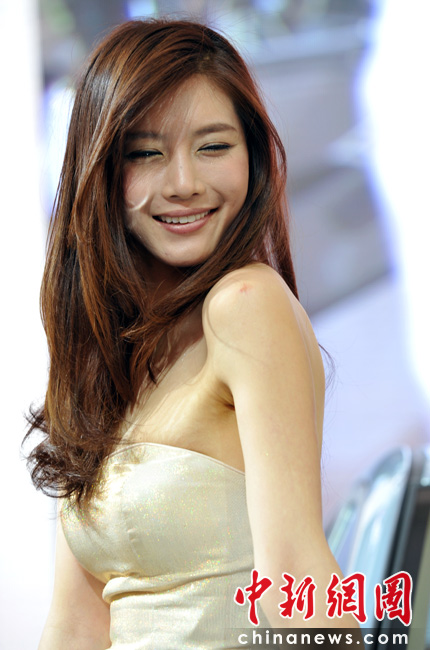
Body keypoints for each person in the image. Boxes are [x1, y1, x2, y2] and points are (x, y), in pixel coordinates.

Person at [26, 18, 358, 649]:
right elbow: (76, 624)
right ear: (100, 170)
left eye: (213, 146)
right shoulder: (101, 359)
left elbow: (294, 578)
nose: (184, 183)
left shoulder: (245, 305)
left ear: (252, 156)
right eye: (146, 153)